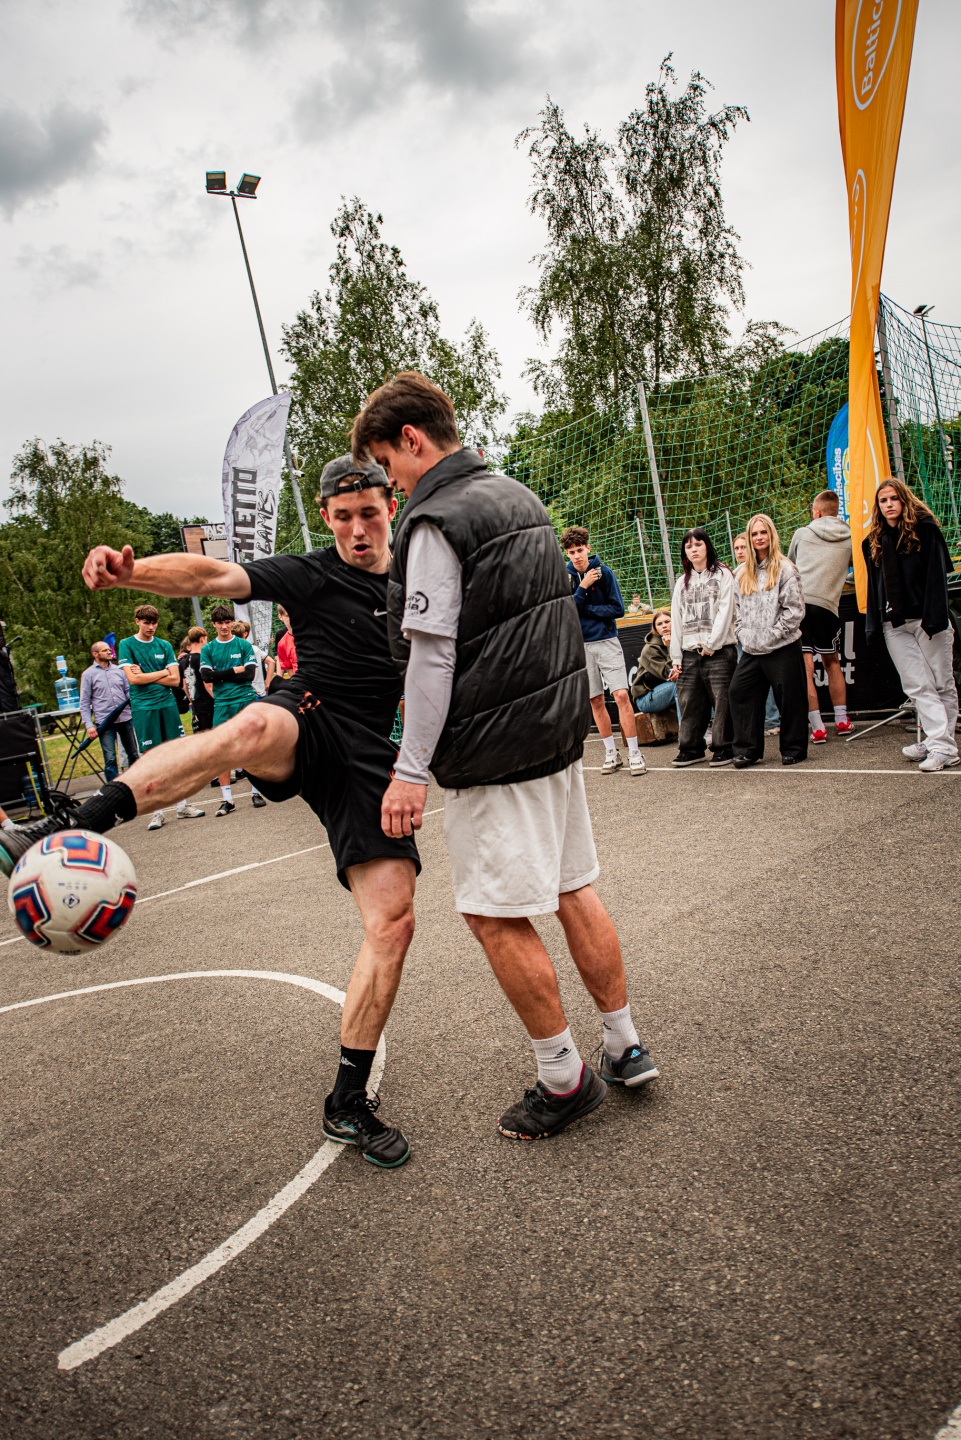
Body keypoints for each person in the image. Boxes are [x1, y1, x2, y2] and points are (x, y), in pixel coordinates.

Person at [0, 454, 421, 1169]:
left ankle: (347, 1102)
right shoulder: (312, 573)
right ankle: (65, 826)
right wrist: (132, 573)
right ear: (326, 517)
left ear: (391, 507)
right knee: (249, 728)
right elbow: (210, 576)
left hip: (369, 755)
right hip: (307, 712)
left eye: (370, 514)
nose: (358, 529)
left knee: (393, 923)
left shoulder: (419, 580)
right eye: (344, 517)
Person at [356, 371, 659, 1143]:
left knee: (492, 914)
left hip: (495, 746)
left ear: (411, 440)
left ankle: (563, 1079)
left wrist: (410, 769)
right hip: (553, 732)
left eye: (387, 464)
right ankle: (624, 1043)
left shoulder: (434, 521)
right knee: (570, 887)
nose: (391, 484)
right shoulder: (517, 496)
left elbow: (431, 658)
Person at [863, 478, 959, 772]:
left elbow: (937, 576)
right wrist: (874, 624)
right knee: (917, 684)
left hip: (928, 619)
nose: (889, 504)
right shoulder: (873, 541)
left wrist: (934, 618)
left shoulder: (925, 529)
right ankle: (939, 743)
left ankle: (941, 745)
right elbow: (873, 587)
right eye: (883, 500)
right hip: (894, 623)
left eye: (893, 498)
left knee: (941, 683)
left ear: (904, 500)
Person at [560, 525, 646, 777]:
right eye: (571, 552)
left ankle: (634, 753)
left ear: (588, 548)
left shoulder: (604, 573)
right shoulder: (565, 578)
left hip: (607, 640)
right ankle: (611, 753)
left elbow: (617, 609)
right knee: (595, 700)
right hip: (580, 645)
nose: (577, 555)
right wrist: (582, 588)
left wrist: (585, 609)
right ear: (566, 554)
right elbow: (566, 612)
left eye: (580, 550)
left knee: (621, 695)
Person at [117, 605, 205, 829]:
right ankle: (157, 812)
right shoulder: (127, 645)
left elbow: (175, 680)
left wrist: (147, 674)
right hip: (143, 707)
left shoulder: (164, 645)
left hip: (167, 705)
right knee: (151, 759)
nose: (151, 627)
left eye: (154, 623)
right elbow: (133, 680)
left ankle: (182, 806)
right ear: (137, 621)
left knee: (174, 755)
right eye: (146, 622)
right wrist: (163, 673)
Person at [729, 514, 807, 767]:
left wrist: (774, 634)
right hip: (752, 648)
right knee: (739, 692)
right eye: (754, 534)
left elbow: (795, 610)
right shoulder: (740, 573)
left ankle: (793, 749)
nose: (759, 537)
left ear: (771, 535)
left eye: (763, 532)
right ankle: (747, 750)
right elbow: (736, 611)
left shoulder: (786, 568)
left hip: (782, 646)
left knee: (790, 698)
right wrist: (743, 634)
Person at [668, 528, 738, 767]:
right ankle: (691, 748)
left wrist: (712, 643)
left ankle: (724, 747)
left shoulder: (723, 574)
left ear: (707, 546)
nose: (694, 549)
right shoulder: (682, 582)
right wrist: (676, 657)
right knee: (689, 702)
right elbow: (676, 620)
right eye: (688, 546)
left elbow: (726, 611)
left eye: (698, 544)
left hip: (719, 651)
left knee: (722, 701)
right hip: (689, 653)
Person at [788, 491, 853, 742]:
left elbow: (789, 567)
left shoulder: (802, 533)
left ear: (816, 512)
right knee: (832, 662)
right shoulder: (850, 536)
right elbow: (859, 571)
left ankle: (817, 727)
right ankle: (842, 721)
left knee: (805, 667)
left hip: (802, 603)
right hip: (828, 606)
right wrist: (842, 579)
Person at [200, 605, 266, 815]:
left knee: (252, 747)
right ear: (214, 624)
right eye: (220, 622)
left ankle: (256, 792)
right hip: (222, 703)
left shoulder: (243, 645)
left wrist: (220, 674)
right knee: (222, 751)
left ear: (232, 622)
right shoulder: (208, 649)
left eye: (228, 622)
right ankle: (227, 800)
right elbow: (206, 676)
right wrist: (234, 670)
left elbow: (249, 675)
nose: (224, 626)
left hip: (245, 700)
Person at [79, 641, 140, 783]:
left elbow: (127, 692)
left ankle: (136, 782)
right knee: (110, 758)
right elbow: (84, 702)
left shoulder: (119, 670)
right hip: (105, 721)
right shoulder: (88, 674)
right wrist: (89, 725)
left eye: (109, 650)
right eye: (105, 650)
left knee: (133, 753)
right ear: (95, 654)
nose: (109, 652)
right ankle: (113, 788)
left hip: (125, 718)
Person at [630, 609, 680, 741]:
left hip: (664, 688)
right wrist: (670, 647)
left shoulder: (681, 640)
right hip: (646, 697)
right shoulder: (650, 649)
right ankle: (687, 732)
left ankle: (709, 725)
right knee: (679, 686)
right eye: (659, 624)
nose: (664, 626)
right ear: (655, 629)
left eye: (667, 622)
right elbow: (669, 673)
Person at [178, 625, 214, 734]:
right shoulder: (202, 659)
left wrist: (192, 700)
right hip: (208, 704)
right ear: (202, 639)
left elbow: (185, 685)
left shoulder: (185, 660)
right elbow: (208, 684)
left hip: (196, 705)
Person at [232, 618, 273, 696]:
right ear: (245, 634)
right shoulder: (255, 649)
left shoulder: (231, 652)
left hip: (244, 693)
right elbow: (271, 661)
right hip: (259, 692)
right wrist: (267, 683)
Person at [276, 606, 297, 678]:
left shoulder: (314, 633)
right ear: (280, 617)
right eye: (287, 616)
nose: (292, 619)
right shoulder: (282, 644)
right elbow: (289, 669)